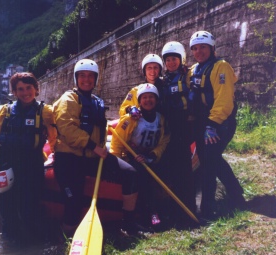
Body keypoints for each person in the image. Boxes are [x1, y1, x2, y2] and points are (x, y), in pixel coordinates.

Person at [53, 59, 151, 236]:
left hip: (92, 156)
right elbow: (66, 128)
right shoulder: (68, 99)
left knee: (130, 173)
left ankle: (128, 223)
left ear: (96, 79)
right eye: (82, 76)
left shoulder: (96, 101)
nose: (87, 80)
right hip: (69, 160)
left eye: (91, 76)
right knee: (73, 204)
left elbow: (99, 130)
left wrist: (101, 146)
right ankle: (66, 239)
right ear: (76, 78)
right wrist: (93, 146)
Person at [0, 72, 57, 241]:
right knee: (7, 213)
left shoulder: (45, 112)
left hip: (32, 167)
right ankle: (9, 246)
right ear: (14, 92)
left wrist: (56, 155)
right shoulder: (4, 112)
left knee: (29, 210)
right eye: (20, 89)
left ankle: (32, 246)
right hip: (6, 167)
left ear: (36, 89)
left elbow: (54, 138)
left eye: (28, 88)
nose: (25, 93)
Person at [187, 31, 246, 220]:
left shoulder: (221, 67)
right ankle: (236, 194)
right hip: (204, 122)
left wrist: (211, 125)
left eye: (203, 47)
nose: (199, 51)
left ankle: (207, 208)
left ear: (212, 48)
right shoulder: (195, 69)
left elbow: (224, 101)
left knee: (209, 162)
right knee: (210, 159)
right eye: (195, 48)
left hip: (220, 123)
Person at [110, 83, 170, 229]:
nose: (148, 100)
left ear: (156, 100)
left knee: (160, 173)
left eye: (151, 97)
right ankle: (145, 213)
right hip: (132, 156)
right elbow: (117, 143)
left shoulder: (161, 119)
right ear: (139, 100)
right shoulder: (130, 119)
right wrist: (116, 163)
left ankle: (156, 210)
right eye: (144, 98)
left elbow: (163, 141)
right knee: (140, 175)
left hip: (149, 156)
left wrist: (152, 156)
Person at [159, 41, 197, 227]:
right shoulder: (163, 80)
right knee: (171, 167)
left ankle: (189, 209)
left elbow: (194, 97)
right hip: (170, 126)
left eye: (174, 59)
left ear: (181, 59)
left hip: (184, 125)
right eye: (168, 60)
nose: (171, 62)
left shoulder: (189, 75)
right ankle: (173, 208)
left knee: (183, 167)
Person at [119, 53, 163, 118]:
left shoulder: (166, 87)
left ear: (160, 70)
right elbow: (122, 110)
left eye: (155, 68)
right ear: (144, 71)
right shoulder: (136, 91)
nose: (152, 71)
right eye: (149, 68)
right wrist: (130, 109)